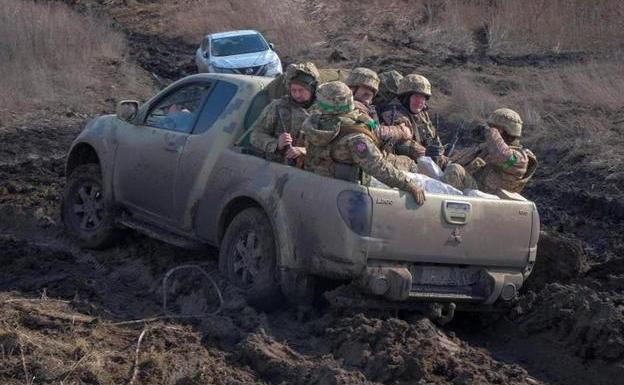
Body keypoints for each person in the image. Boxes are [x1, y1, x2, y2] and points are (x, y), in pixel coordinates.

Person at [303, 81, 426, 205]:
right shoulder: (355, 135)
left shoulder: (312, 125)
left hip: (315, 190)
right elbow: (377, 166)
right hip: (346, 197)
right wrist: (408, 184)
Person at [442, 108, 538, 196]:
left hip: (492, 200)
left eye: (495, 128)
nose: (490, 130)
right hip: (474, 193)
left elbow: (502, 157)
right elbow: (454, 161)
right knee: (452, 168)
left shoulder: (519, 158)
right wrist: (439, 158)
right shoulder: (487, 149)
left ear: (507, 131)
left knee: (456, 170)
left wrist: (491, 132)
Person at [250, 62, 320, 164]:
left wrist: (305, 151)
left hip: (309, 172)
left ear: (312, 90)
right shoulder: (277, 107)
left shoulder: (323, 111)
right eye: (293, 90)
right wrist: (275, 144)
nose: (297, 94)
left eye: (301, 90)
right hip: (277, 168)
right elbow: (255, 135)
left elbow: (333, 148)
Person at [346, 67, 414, 171]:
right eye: (364, 87)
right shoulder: (350, 106)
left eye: (372, 90)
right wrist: (400, 131)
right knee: (411, 166)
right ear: (352, 88)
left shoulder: (367, 109)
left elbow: (373, 126)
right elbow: (371, 131)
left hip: (370, 153)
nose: (369, 93)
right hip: (361, 157)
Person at [380, 74, 448, 169]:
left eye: (423, 97)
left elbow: (433, 137)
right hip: (403, 164)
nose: (420, 101)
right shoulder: (394, 112)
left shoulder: (422, 113)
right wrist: (426, 154)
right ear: (406, 97)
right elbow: (402, 143)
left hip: (424, 161)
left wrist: (439, 153)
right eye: (416, 96)